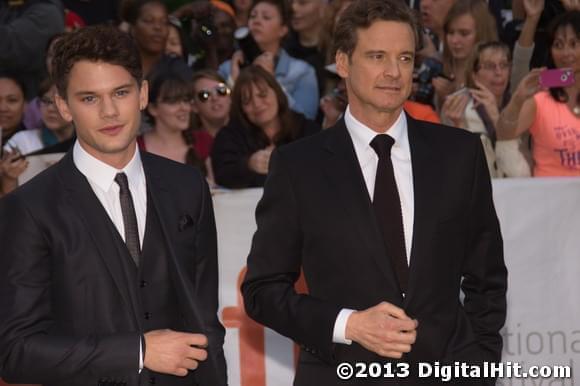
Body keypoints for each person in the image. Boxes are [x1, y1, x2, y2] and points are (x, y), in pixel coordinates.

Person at [241, 0, 507, 384]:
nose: (393, 72)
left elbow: (487, 279)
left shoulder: (460, 155)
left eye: (404, 58)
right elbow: (262, 290)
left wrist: (479, 368)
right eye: (377, 56)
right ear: (344, 63)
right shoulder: (299, 166)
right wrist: (348, 325)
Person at [0, 25, 227, 386]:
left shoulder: (187, 187)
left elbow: (205, 324)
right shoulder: (30, 208)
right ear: (64, 106)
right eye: (89, 98)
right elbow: (15, 351)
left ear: (142, 94)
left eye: (120, 92)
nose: (109, 111)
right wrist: (138, 352)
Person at [497, 10, 580, 177]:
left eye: (574, 44)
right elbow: (503, 134)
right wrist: (518, 98)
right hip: (549, 198)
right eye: (558, 44)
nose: (566, 53)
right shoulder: (541, 98)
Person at [211, 65, 319, 188]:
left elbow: (322, 166)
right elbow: (222, 174)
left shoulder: (306, 128)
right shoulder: (229, 136)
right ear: (241, 108)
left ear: (277, 94)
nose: (256, 104)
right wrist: (248, 164)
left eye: (262, 95)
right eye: (247, 100)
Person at [441, 42, 532, 178]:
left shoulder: (520, 107)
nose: (498, 72)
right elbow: (455, 168)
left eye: (503, 65)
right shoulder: (458, 106)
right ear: (474, 75)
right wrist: (458, 126)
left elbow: (523, 172)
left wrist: (497, 119)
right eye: (490, 66)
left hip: (514, 190)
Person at [218, 0, 319, 120]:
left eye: (266, 17)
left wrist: (272, 82)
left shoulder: (302, 72)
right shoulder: (227, 68)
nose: (256, 21)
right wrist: (233, 81)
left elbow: (306, 119)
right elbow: (219, 118)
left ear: (283, 29)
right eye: (252, 16)